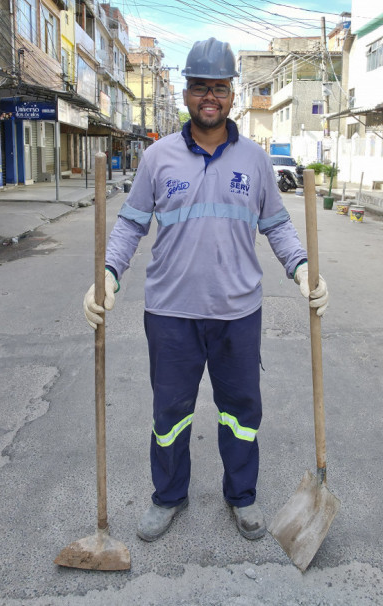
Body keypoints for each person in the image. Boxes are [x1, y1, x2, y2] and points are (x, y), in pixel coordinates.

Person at [82, 38, 328, 543]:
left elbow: (277, 226)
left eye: (219, 87)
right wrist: (108, 274)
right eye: (199, 87)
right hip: (170, 314)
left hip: (238, 314)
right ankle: (169, 495)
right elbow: (130, 226)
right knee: (169, 414)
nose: (209, 97)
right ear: (187, 92)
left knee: (240, 413)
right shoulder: (157, 158)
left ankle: (242, 496)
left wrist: (302, 269)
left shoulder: (256, 161)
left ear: (232, 94)